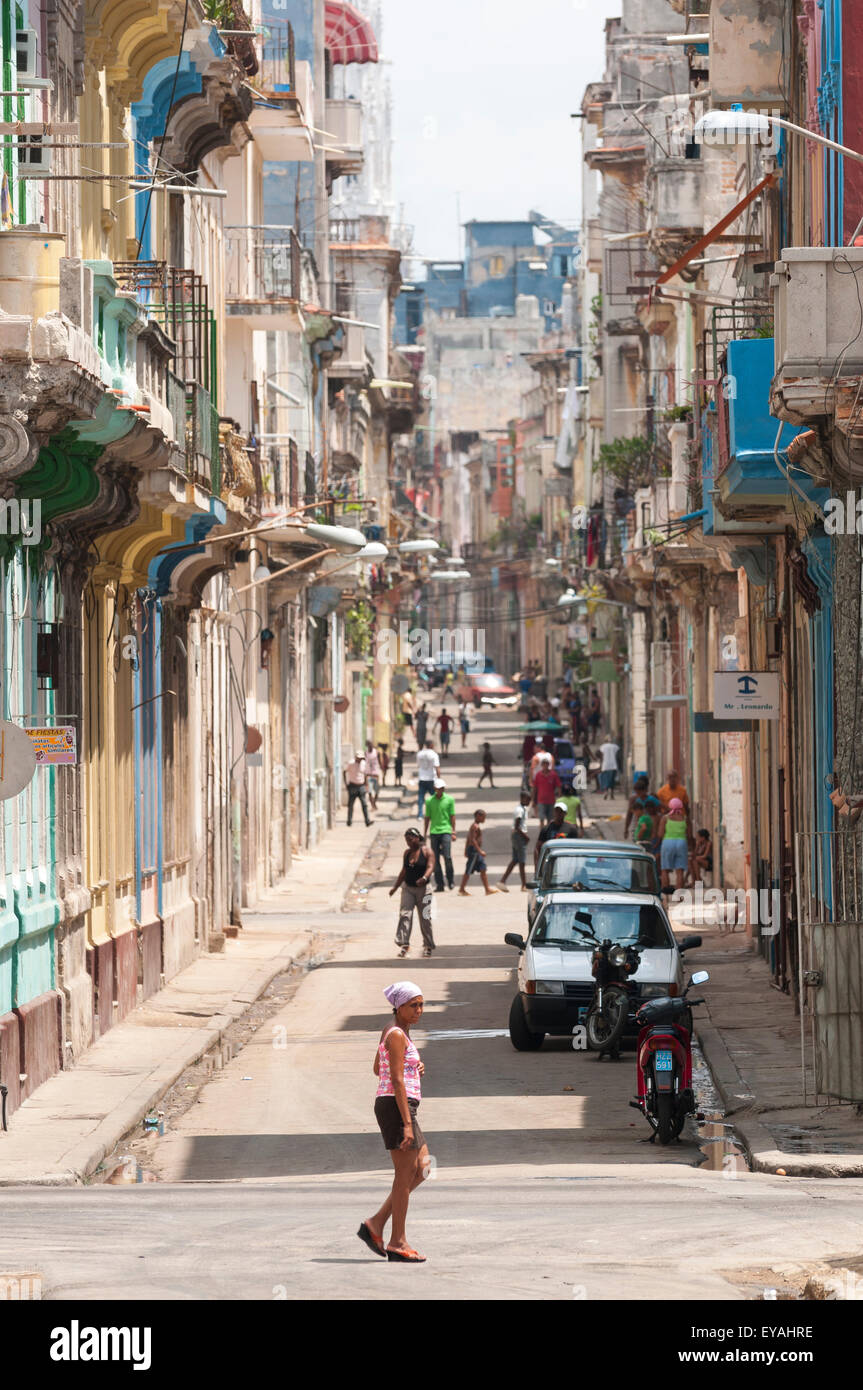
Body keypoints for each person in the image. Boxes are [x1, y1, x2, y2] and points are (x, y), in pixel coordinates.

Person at [358, 982, 429, 1263]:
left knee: (422, 1168)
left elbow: (379, 1067)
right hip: (396, 1106)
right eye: (413, 1005)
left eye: (422, 1005)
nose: (419, 1011)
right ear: (398, 1006)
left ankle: (375, 1224)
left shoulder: (393, 1031)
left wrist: (414, 1066)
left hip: (399, 1105)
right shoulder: (397, 1034)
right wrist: (407, 1124)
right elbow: (395, 1079)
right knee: (404, 1174)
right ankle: (397, 1242)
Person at [389, 828, 436, 958]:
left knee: (425, 917)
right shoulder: (407, 853)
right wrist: (395, 887)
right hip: (408, 888)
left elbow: (430, 867)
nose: (408, 842)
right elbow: (403, 872)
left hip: (424, 890)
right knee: (405, 915)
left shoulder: (427, 851)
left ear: (417, 838)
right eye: (406, 840)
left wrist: (425, 878)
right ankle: (404, 945)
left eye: (410, 839)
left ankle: (428, 945)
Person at [423, 778, 456, 892]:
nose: (440, 791)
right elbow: (427, 818)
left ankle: (450, 880)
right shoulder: (429, 801)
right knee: (435, 860)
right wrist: (425, 833)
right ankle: (440, 884)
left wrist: (453, 831)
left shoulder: (449, 800)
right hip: (434, 832)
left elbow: (452, 816)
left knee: (447, 857)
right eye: (438, 789)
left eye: (441, 789)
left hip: (446, 830)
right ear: (435, 789)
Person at [458, 810, 497, 896]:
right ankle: (461, 889)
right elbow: (472, 840)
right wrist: (480, 851)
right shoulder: (475, 826)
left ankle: (487, 889)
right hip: (474, 852)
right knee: (468, 870)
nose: (484, 819)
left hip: (476, 852)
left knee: (483, 869)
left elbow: (468, 838)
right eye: (483, 817)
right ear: (478, 816)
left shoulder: (475, 826)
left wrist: (465, 850)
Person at [499, 790, 532, 891]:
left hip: (517, 835)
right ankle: (523, 885)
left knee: (516, 860)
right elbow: (517, 826)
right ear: (522, 798)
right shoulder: (520, 810)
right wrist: (525, 836)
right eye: (527, 799)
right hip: (519, 836)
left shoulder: (522, 809)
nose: (529, 802)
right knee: (521, 861)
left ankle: (503, 881)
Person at [657, 796, 689, 894]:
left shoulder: (665, 818)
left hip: (668, 842)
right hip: (682, 842)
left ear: (670, 806)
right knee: (680, 871)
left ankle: (666, 894)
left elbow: (660, 834)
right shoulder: (685, 818)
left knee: (665, 869)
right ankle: (678, 895)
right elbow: (689, 834)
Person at [534, 801, 579, 868]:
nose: (558, 813)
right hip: (550, 864)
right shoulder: (546, 829)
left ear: (565, 813)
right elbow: (538, 849)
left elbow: (576, 848)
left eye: (561, 811)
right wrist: (537, 867)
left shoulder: (571, 829)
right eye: (556, 811)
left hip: (566, 863)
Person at [344, 749, 373, 827]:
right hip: (352, 786)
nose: (360, 760)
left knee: (364, 805)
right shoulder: (351, 763)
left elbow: (365, 774)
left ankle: (367, 821)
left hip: (361, 786)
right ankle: (349, 821)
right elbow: (344, 771)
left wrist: (366, 785)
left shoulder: (363, 764)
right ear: (356, 757)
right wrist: (346, 784)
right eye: (359, 758)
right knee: (351, 805)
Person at [533, 756, 562, 827]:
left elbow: (559, 786)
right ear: (542, 765)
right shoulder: (538, 775)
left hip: (551, 801)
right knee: (541, 819)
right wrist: (534, 800)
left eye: (546, 764)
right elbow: (535, 788)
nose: (545, 766)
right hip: (541, 801)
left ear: (548, 765)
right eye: (543, 764)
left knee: (550, 820)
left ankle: (548, 835)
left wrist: (559, 798)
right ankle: (542, 835)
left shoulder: (553, 775)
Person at [415, 740, 440, 819]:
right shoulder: (434, 754)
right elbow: (437, 767)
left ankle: (420, 814)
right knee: (435, 798)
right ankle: (435, 813)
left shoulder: (419, 754)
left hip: (422, 778)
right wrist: (439, 779)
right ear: (432, 745)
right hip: (431, 778)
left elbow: (418, 765)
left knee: (421, 798)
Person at [598, 735, 620, 800]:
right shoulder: (615, 746)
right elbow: (617, 755)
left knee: (606, 780)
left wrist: (601, 764)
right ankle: (612, 794)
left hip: (605, 765)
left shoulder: (603, 747)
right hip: (613, 765)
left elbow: (602, 756)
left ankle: (606, 792)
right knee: (612, 781)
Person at [365, 741, 381, 810]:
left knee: (377, 791)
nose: (370, 746)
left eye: (371, 745)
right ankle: (372, 806)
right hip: (368, 774)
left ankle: (374, 803)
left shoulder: (376, 752)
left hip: (376, 774)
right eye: (369, 745)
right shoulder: (365, 753)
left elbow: (380, 762)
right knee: (370, 792)